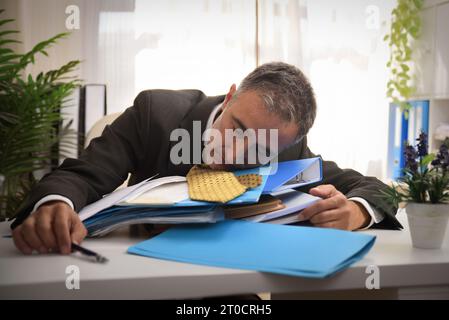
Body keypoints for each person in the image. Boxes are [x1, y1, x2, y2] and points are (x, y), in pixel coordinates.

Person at [11, 62, 401, 255]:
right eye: (237, 128)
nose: (236, 153)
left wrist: (357, 211)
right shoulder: (155, 113)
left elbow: (372, 187)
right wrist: (55, 204)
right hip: (136, 270)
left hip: (226, 279)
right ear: (229, 96)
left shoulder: (291, 148)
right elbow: (82, 174)